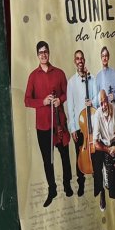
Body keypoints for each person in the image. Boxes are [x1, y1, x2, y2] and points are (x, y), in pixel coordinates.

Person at [23, 41, 72, 207]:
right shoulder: (33, 76)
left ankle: (67, 184)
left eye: (45, 52)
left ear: (49, 53)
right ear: (37, 55)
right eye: (40, 52)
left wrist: (60, 99)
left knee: (65, 155)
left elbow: (67, 93)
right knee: (47, 159)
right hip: (43, 125)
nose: (43, 55)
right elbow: (27, 101)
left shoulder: (59, 73)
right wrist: (43, 101)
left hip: (59, 122)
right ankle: (52, 189)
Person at [64, 50, 95, 199]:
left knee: (95, 153)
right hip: (79, 125)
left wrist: (92, 102)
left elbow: (96, 97)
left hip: (93, 124)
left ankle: (97, 181)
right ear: (74, 61)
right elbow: (70, 107)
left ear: (84, 60)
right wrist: (72, 128)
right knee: (79, 155)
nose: (80, 61)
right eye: (77, 58)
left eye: (81, 58)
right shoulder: (71, 82)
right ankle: (81, 183)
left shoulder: (92, 78)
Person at [90, 90, 115, 211]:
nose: (104, 105)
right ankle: (102, 193)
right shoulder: (97, 115)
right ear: (99, 105)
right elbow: (95, 142)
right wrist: (107, 149)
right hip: (104, 144)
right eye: (101, 103)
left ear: (108, 100)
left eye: (105, 101)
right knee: (96, 165)